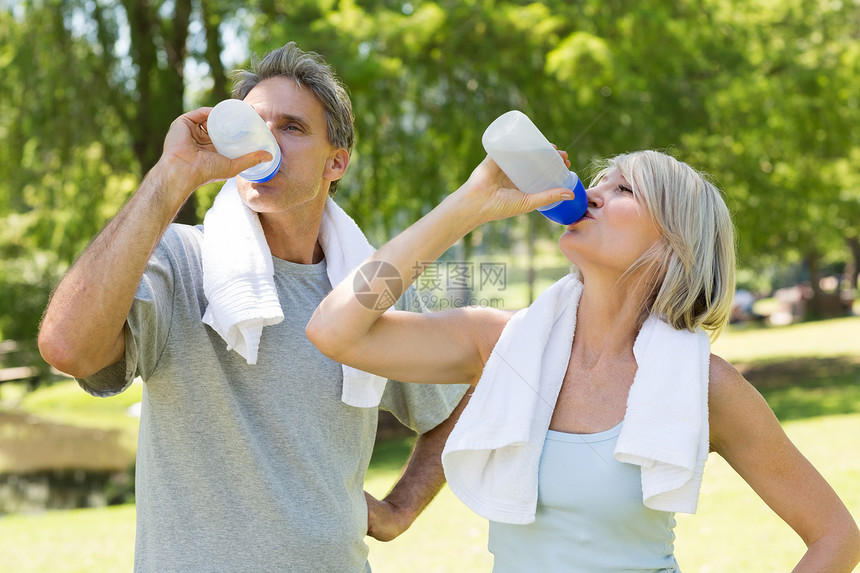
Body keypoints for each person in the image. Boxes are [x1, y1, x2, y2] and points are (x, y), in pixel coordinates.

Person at [307, 149, 860, 571]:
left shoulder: (702, 386)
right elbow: (335, 329)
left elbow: (837, 536)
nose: (591, 193)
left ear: (674, 243)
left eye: (624, 190)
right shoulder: (500, 342)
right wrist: (465, 207)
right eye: (597, 181)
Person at [37, 42, 469, 572]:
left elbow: (467, 392)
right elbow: (66, 347)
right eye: (253, 123)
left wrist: (401, 509)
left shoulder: (371, 284)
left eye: (291, 127)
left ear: (337, 162)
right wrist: (172, 174)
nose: (266, 141)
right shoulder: (180, 261)